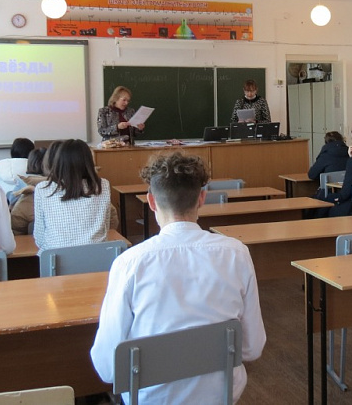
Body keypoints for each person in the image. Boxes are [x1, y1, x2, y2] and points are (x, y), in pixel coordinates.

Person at [90, 152, 266, 403]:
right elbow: (252, 348)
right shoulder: (236, 253)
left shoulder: (129, 263)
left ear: (151, 201)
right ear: (202, 198)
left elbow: (107, 367)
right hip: (220, 395)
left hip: (152, 399)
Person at [34, 139, 114, 254]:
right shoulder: (103, 185)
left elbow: (39, 236)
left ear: (59, 161)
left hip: (55, 257)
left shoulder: (43, 188)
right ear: (89, 161)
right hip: (97, 256)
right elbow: (106, 225)